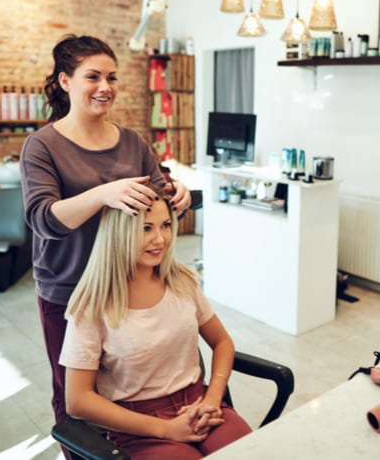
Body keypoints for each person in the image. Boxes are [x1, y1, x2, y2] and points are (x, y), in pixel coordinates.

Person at [20, 34, 191, 428]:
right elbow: (42, 219)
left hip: (131, 286)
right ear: (66, 81)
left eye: (112, 78)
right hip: (71, 291)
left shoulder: (132, 142)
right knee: (75, 397)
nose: (105, 88)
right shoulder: (42, 146)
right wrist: (102, 194)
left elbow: (158, 194)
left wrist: (178, 193)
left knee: (129, 390)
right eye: (93, 77)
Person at [60, 184, 252, 458]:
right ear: (119, 234)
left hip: (199, 404)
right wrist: (166, 430)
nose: (160, 239)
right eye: (146, 228)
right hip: (140, 427)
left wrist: (212, 399)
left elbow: (222, 342)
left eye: (165, 225)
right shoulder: (93, 307)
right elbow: (77, 401)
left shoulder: (181, 282)